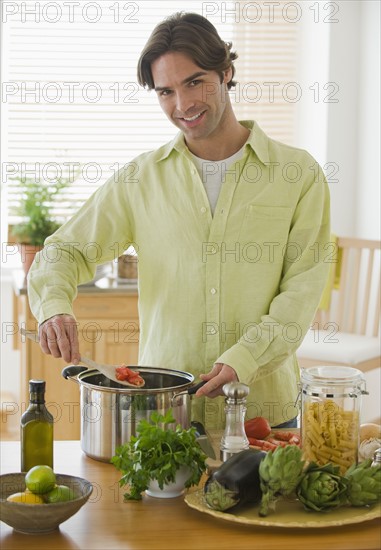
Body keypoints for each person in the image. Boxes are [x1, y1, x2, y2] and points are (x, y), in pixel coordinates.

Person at [28, 12, 330, 430]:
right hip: (165, 412)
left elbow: (301, 291)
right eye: (165, 91)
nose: (182, 105)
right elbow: (64, 250)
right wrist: (53, 309)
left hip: (261, 413)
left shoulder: (297, 174)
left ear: (226, 72)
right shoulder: (141, 178)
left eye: (194, 82)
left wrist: (245, 359)